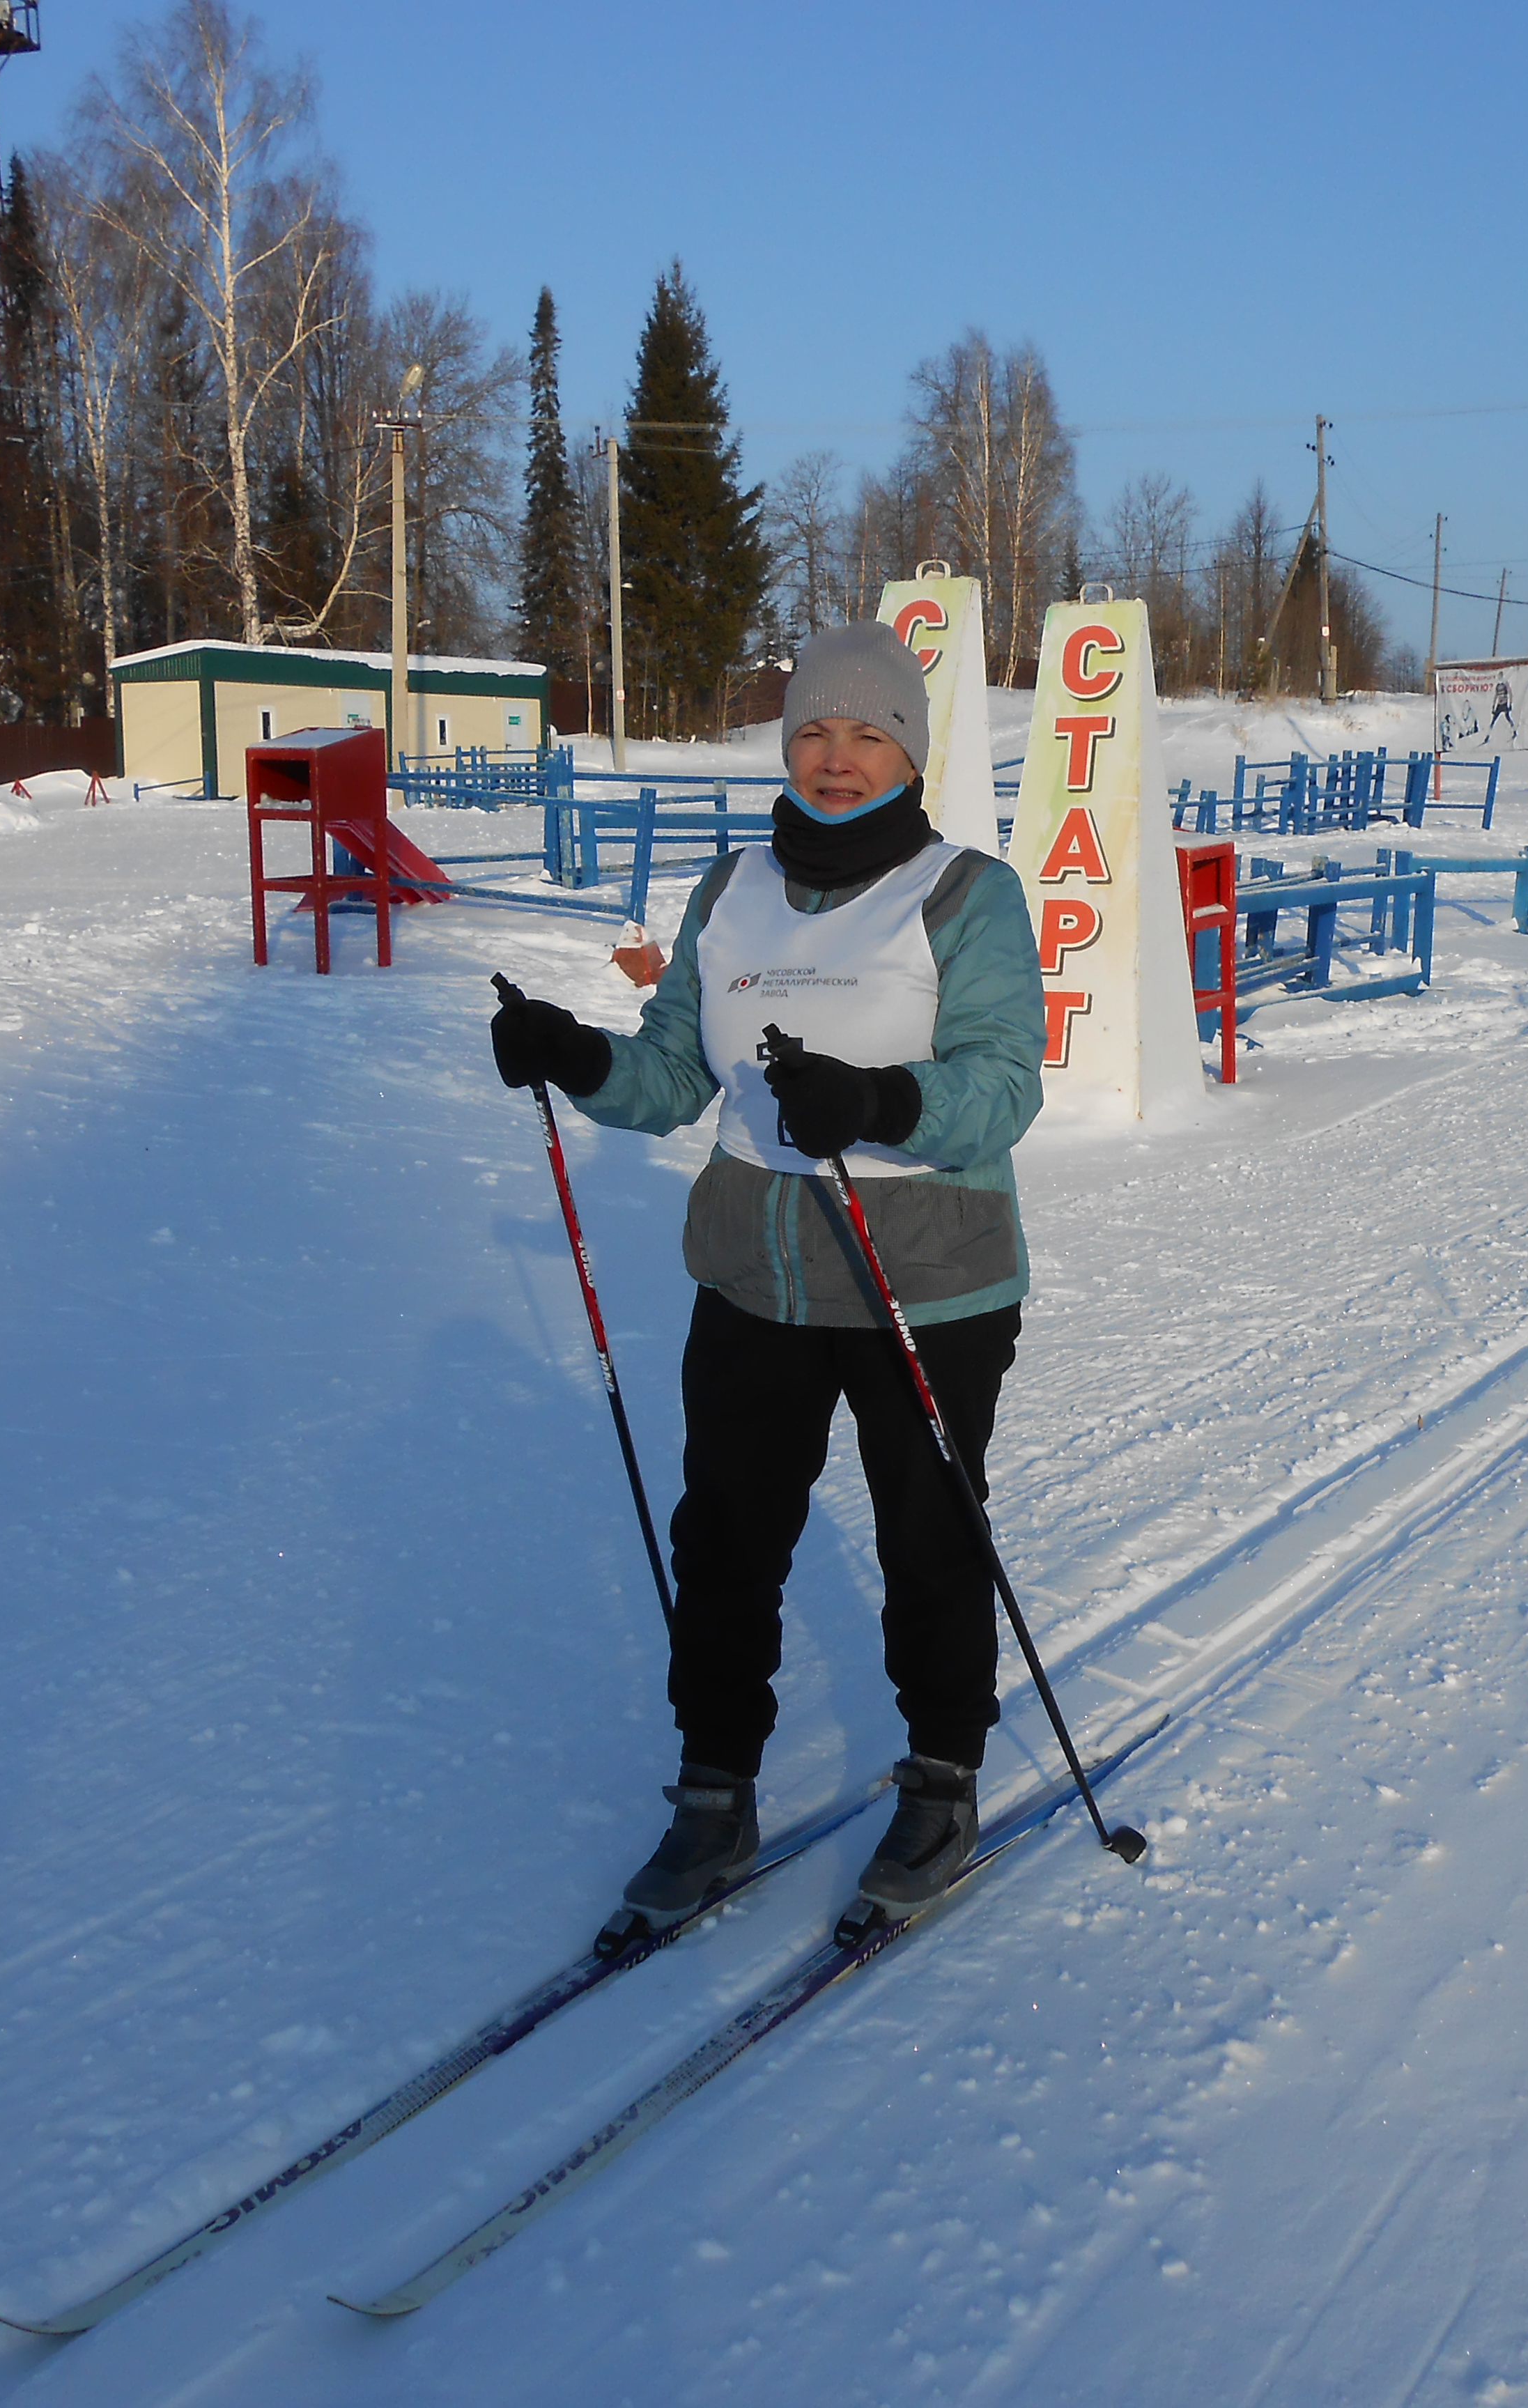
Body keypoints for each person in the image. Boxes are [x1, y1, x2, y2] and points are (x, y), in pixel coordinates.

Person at [488, 620, 1045, 1928]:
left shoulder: (968, 893)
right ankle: (712, 1790)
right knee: (726, 1540)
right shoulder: (725, 890)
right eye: (813, 730)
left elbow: (1002, 1089)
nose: (838, 757)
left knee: (929, 1539)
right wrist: (574, 1056)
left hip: (928, 1279)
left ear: (909, 750)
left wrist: (874, 1100)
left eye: (869, 733)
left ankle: (943, 1775)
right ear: (783, 743)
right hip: (752, 1275)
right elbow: (677, 1074)